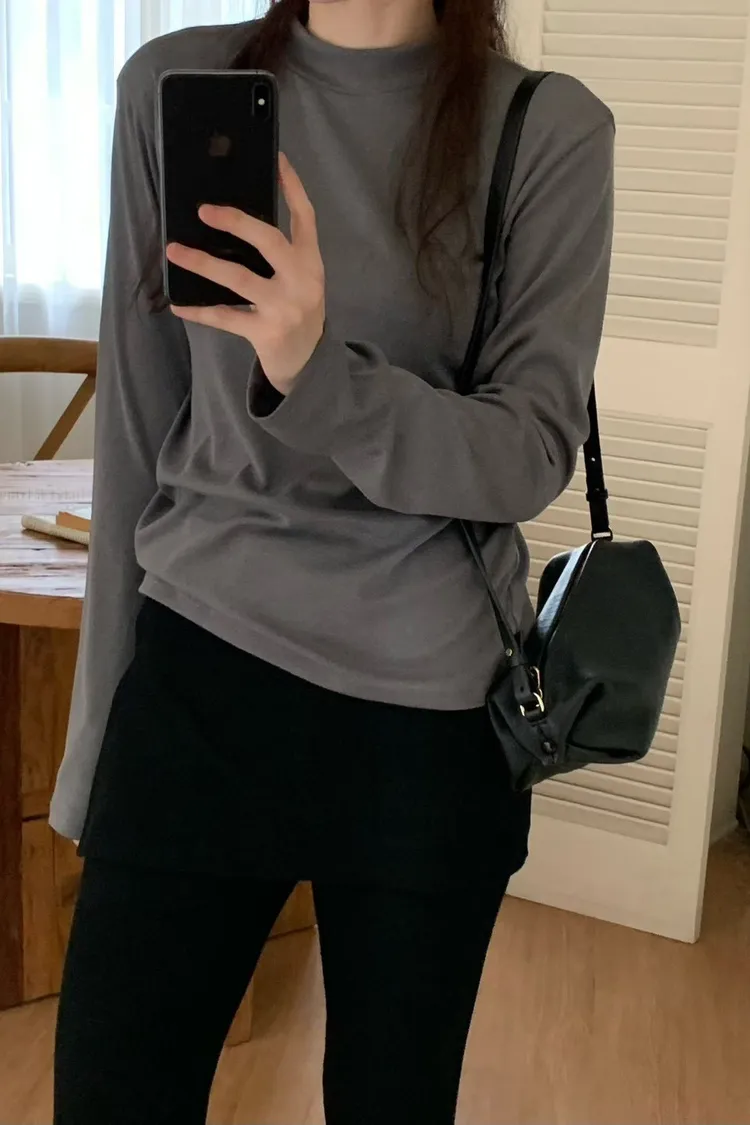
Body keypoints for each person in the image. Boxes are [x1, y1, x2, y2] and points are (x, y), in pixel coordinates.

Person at [50, 0, 615, 1122]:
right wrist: (94, 754)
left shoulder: (544, 128)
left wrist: (315, 370)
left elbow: (528, 453)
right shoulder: (174, 85)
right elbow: (137, 435)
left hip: (428, 722)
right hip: (198, 682)